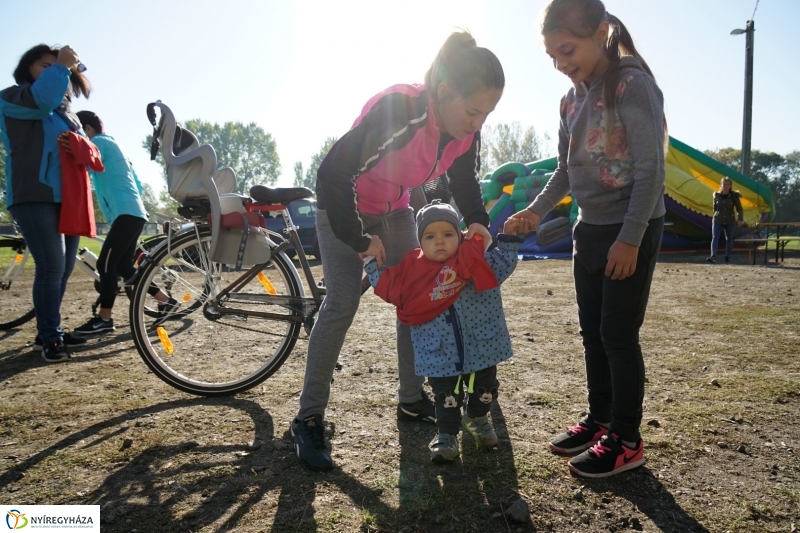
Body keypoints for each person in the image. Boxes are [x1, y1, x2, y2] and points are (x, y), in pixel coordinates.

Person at [290, 30, 504, 471]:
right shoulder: (401, 111)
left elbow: (463, 178)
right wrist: (359, 240)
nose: (477, 122)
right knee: (343, 302)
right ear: (444, 93)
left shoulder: (466, 128)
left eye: (487, 113)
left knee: (417, 296)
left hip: (397, 210)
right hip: (342, 208)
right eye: (472, 111)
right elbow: (334, 171)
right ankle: (308, 418)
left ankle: (411, 398)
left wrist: (477, 218)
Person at [511, 0, 667, 478]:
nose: (561, 64)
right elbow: (564, 169)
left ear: (601, 32)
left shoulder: (631, 85)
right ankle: (600, 420)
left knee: (618, 335)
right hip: (589, 229)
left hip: (630, 229)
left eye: (568, 50)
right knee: (593, 335)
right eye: (552, 57)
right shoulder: (570, 99)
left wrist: (630, 238)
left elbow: (651, 171)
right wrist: (535, 211)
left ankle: (626, 438)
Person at [365, 201, 522, 463]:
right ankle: (446, 435)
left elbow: (504, 263)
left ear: (460, 236)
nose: (440, 241)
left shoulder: (473, 259)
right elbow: (386, 285)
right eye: (430, 236)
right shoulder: (411, 271)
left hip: (481, 344)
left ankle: (477, 418)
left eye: (448, 234)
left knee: (486, 388)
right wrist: (371, 261)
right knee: (446, 396)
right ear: (420, 242)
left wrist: (509, 237)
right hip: (439, 350)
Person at [0, 44, 91, 363]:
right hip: (33, 196)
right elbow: (41, 101)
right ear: (28, 70)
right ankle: (51, 338)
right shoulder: (12, 97)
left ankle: (45, 333)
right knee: (51, 266)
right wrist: (64, 66)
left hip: (69, 199)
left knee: (64, 269)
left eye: (61, 67)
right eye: (46, 66)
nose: (58, 71)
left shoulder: (67, 113)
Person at [71, 111, 179, 335]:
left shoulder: (97, 143)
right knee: (122, 267)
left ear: (88, 130)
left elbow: (80, 162)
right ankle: (166, 301)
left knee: (105, 265)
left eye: (79, 132)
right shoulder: (117, 147)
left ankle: (104, 319)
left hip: (125, 214)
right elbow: (138, 186)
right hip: (134, 212)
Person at [707, 177, 744, 264]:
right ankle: (713, 256)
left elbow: (739, 209)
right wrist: (714, 217)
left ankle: (727, 256)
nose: (726, 186)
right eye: (724, 184)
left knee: (729, 238)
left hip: (729, 220)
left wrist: (740, 219)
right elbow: (714, 208)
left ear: (730, 186)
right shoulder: (716, 195)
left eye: (728, 184)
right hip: (718, 219)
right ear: (721, 185)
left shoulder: (734, 196)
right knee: (715, 237)